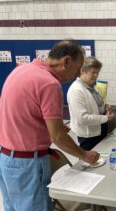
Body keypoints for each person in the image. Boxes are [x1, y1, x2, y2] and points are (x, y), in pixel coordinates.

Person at [0, 40, 100, 211]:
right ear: (66, 61)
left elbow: (23, 113)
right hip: (28, 164)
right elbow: (58, 137)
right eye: (78, 68)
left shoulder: (21, 70)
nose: (77, 74)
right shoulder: (49, 83)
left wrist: (54, 126)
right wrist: (84, 155)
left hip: (6, 158)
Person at [67, 57, 114, 151]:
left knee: (102, 155)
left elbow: (94, 103)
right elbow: (82, 118)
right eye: (93, 72)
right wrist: (105, 118)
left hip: (100, 127)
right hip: (89, 134)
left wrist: (104, 106)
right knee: (89, 159)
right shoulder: (76, 91)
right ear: (82, 71)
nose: (96, 75)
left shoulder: (91, 85)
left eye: (97, 72)